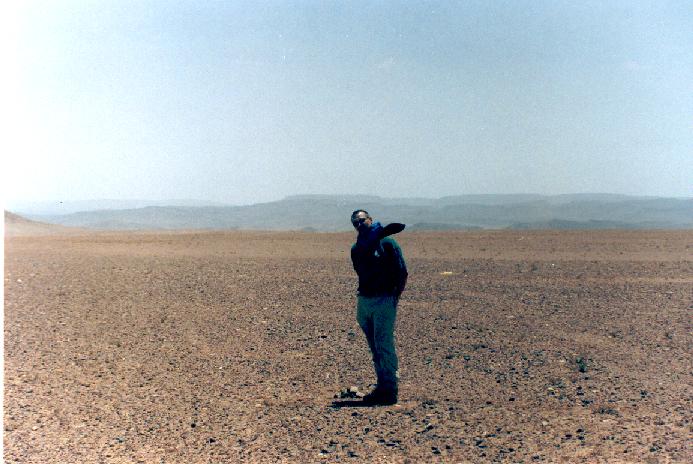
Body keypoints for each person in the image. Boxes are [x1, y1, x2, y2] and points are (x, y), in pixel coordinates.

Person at [350, 209, 408, 405]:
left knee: (383, 343)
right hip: (365, 300)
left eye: (361, 220)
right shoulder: (357, 248)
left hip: (384, 299)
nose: (358, 224)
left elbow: (402, 271)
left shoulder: (387, 243)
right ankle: (381, 387)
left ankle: (390, 389)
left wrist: (394, 296)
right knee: (374, 346)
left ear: (370, 219)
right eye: (354, 222)